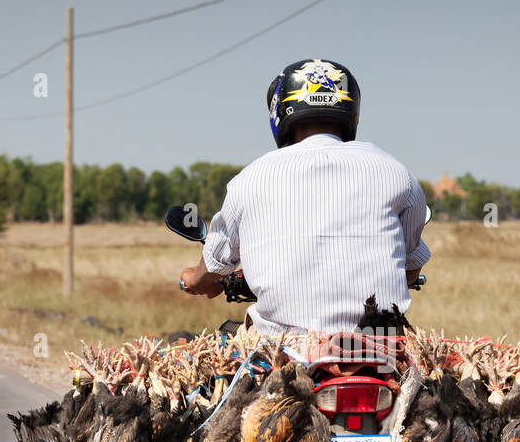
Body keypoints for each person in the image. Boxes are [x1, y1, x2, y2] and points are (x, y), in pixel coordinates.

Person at [179, 58, 429, 334]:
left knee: (216, 362)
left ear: (280, 110)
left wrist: (196, 279)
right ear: (350, 108)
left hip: (283, 349)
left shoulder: (249, 179)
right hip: (380, 348)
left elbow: (214, 264)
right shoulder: (395, 171)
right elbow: (410, 267)